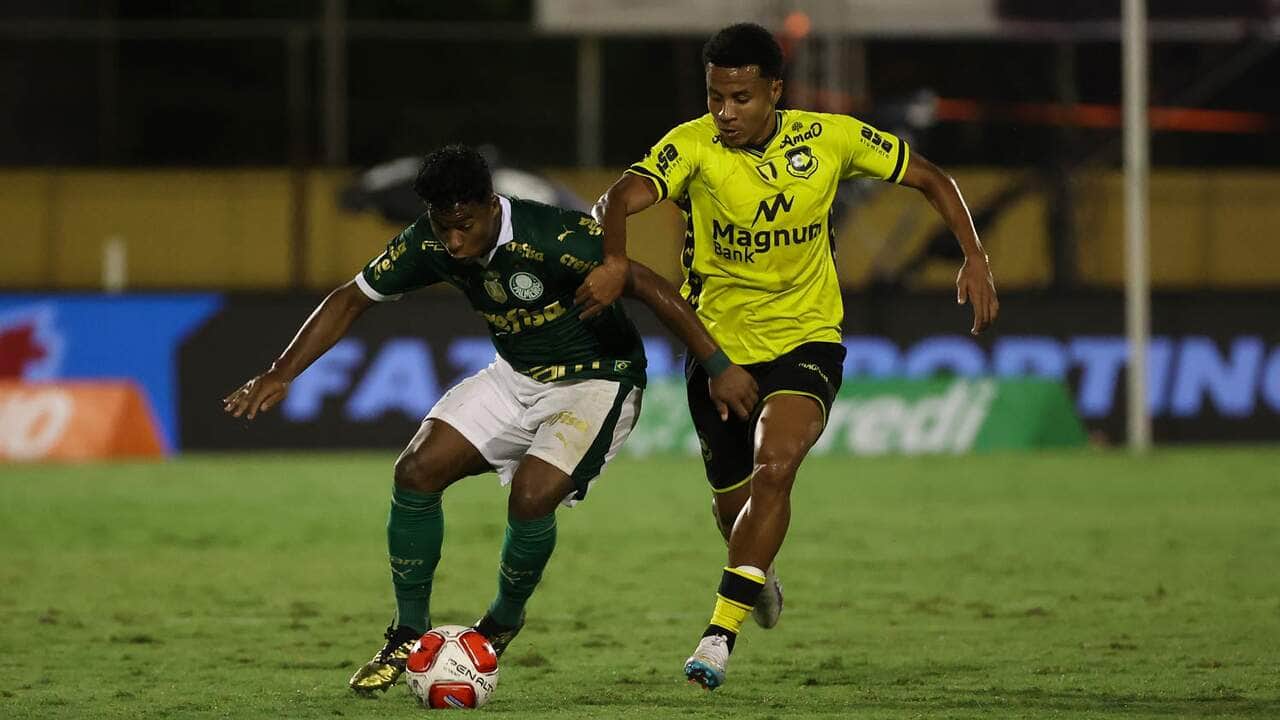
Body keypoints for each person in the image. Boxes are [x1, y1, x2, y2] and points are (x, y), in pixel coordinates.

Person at [222, 144, 758, 694]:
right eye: (443, 227)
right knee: (415, 470)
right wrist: (280, 373)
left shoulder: (555, 234)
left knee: (530, 496)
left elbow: (648, 285)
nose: (453, 241)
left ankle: (500, 623)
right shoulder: (429, 240)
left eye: (464, 226)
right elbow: (350, 299)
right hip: (515, 375)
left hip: (597, 378)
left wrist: (718, 365)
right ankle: (407, 633)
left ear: (491, 205)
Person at [575, 23, 999, 690]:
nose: (725, 112)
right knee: (731, 510)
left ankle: (718, 635)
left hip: (807, 339)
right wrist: (615, 258)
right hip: (715, 350)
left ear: (774, 90)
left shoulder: (831, 138)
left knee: (776, 469)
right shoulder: (690, 147)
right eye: (716, 97)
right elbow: (621, 198)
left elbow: (929, 177)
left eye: (741, 98)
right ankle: (758, 576)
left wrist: (975, 256)